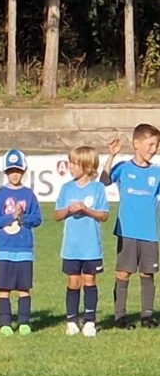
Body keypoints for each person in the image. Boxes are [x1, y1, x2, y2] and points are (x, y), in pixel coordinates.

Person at [101, 124, 160, 329]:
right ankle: (119, 317)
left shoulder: (156, 173)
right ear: (136, 144)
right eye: (150, 144)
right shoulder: (124, 168)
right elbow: (104, 181)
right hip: (127, 231)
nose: (154, 149)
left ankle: (147, 316)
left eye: (156, 145)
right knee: (123, 273)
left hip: (150, 232)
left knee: (147, 274)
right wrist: (111, 156)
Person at [54, 146, 109, 337]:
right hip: (71, 247)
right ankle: (71, 321)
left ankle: (90, 321)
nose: (69, 167)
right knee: (73, 282)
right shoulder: (66, 188)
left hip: (91, 247)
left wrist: (86, 210)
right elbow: (57, 215)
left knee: (89, 281)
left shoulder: (98, 188)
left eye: (74, 163)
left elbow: (103, 216)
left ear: (86, 166)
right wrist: (69, 209)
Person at [0, 149, 42, 336]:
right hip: (4, 250)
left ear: (24, 170)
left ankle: (24, 322)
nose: (14, 174)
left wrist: (23, 217)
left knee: (24, 288)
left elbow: (38, 219)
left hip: (24, 249)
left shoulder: (29, 194)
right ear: (5, 172)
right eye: (11, 171)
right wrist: (11, 216)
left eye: (18, 170)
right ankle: (5, 322)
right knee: (4, 288)